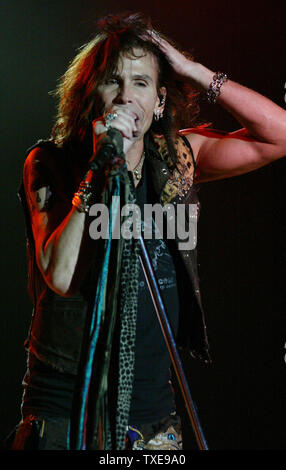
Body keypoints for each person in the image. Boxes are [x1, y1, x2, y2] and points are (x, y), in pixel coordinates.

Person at [10, 13, 286, 451]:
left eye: (140, 83)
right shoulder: (51, 164)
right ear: (91, 96)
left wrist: (193, 70)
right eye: (112, 82)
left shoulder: (177, 157)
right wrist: (100, 168)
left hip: (153, 419)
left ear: (159, 101)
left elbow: (279, 136)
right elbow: (60, 276)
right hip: (67, 413)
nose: (125, 96)